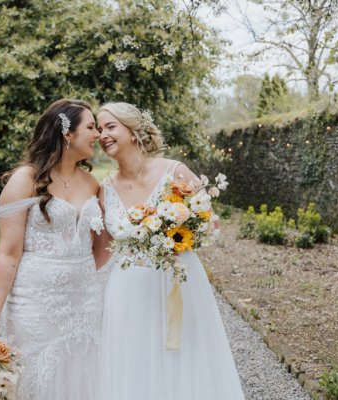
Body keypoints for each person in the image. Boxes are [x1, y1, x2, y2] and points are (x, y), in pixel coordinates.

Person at [95, 102, 245, 400]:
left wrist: (178, 240)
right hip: (128, 289)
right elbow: (101, 248)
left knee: (186, 357)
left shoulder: (174, 170)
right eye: (99, 129)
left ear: (134, 130)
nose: (102, 135)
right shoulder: (105, 188)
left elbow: (209, 221)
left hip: (177, 280)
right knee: (135, 360)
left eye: (110, 126)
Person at [0, 99, 106, 400]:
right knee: (36, 378)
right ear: (67, 134)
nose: (97, 134)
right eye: (90, 127)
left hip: (84, 303)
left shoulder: (92, 183)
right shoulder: (25, 180)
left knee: (83, 375)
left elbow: (100, 247)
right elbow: (8, 253)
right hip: (37, 302)